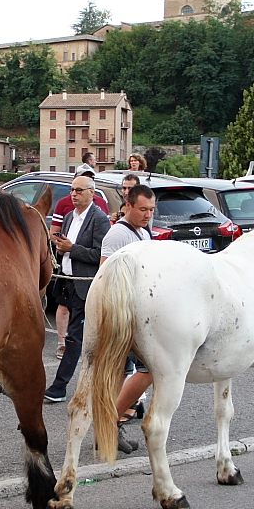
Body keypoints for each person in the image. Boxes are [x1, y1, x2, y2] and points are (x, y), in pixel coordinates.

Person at [99, 184, 157, 453]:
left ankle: (109, 426)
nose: (148, 214)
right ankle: (108, 425)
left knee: (133, 372)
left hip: (140, 314)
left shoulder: (143, 231)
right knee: (140, 371)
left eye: (152, 210)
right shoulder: (117, 235)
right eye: (143, 209)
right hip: (122, 315)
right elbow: (105, 276)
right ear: (129, 206)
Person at [44, 175, 111, 403]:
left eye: (79, 190)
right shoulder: (70, 217)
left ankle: (59, 387)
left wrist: (73, 249)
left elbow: (100, 254)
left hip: (86, 284)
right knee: (82, 337)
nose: (74, 194)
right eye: (72, 190)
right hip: (69, 281)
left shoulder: (100, 219)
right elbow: (66, 247)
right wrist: (62, 250)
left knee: (75, 337)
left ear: (92, 192)